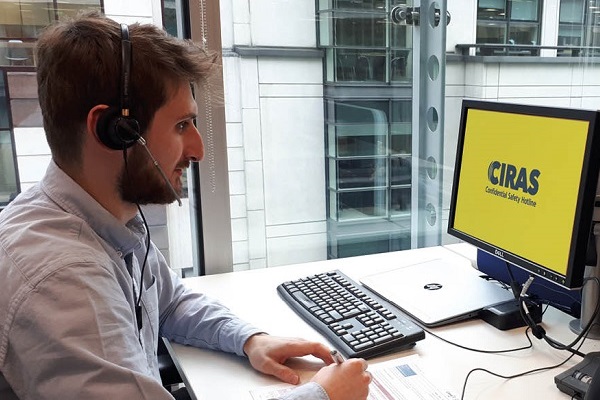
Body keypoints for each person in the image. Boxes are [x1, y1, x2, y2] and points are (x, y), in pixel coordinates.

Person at [0, 11, 372, 400]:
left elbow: (170, 302)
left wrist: (249, 339)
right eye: (181, 126)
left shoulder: (103, 218)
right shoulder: (63, 280)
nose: (198, 149)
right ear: (114, 131)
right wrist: (323, 396)